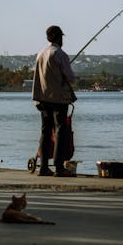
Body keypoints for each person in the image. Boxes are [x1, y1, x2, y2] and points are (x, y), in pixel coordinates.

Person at [32, 25, 76, 177]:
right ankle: (59, 168)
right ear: (58, 37)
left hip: (42, 99)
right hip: (58, 99)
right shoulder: (60, 54)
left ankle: (43, 167)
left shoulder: (40, 53)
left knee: (45, 132)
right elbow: (70, 77)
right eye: (62, 37)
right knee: (60, 131)